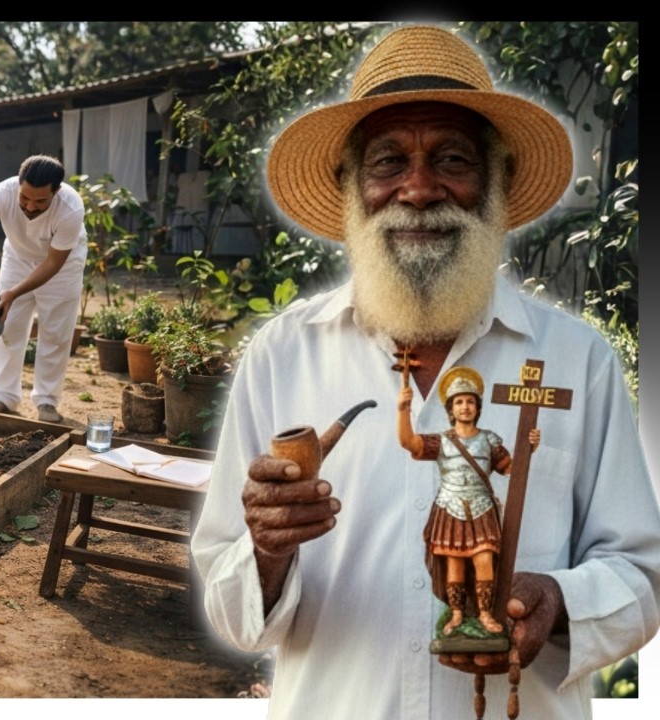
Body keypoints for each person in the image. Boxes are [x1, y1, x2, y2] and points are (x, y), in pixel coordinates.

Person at [190, 25, 658, 719]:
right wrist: (264, 552)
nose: (417, 189)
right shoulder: (284, 355)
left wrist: (560, 602)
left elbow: (642, 577)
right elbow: (230, 609)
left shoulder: (575, 360)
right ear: (350, 187)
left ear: (495, 185)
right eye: (387, 163)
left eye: (452, 160)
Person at [398, 367, 540, 637]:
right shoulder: (441, 441)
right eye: (459, 402)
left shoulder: (489, 440)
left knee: (484, 559)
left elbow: (510, 468)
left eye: (470, 401)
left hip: (481, 508)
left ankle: (486, 614)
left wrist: (528, 447)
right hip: (449, 507)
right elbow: (409, 443)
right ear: (451, 408)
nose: (465, 407)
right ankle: (457, 614)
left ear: (478, 407)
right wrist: (403, 409)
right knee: (455, 564)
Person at [0, 154, 87, 424]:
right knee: (7, 325)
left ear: (56, 192)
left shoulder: (70, 208)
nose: (30, 206)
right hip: (17, 259)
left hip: (61, 267)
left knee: (55, 332)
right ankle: (4, 397)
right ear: (19, 184)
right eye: (24, 197)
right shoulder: (4, 191)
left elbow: (52, 263)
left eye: (40, 201)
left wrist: (13, 293)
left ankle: (47, 400)